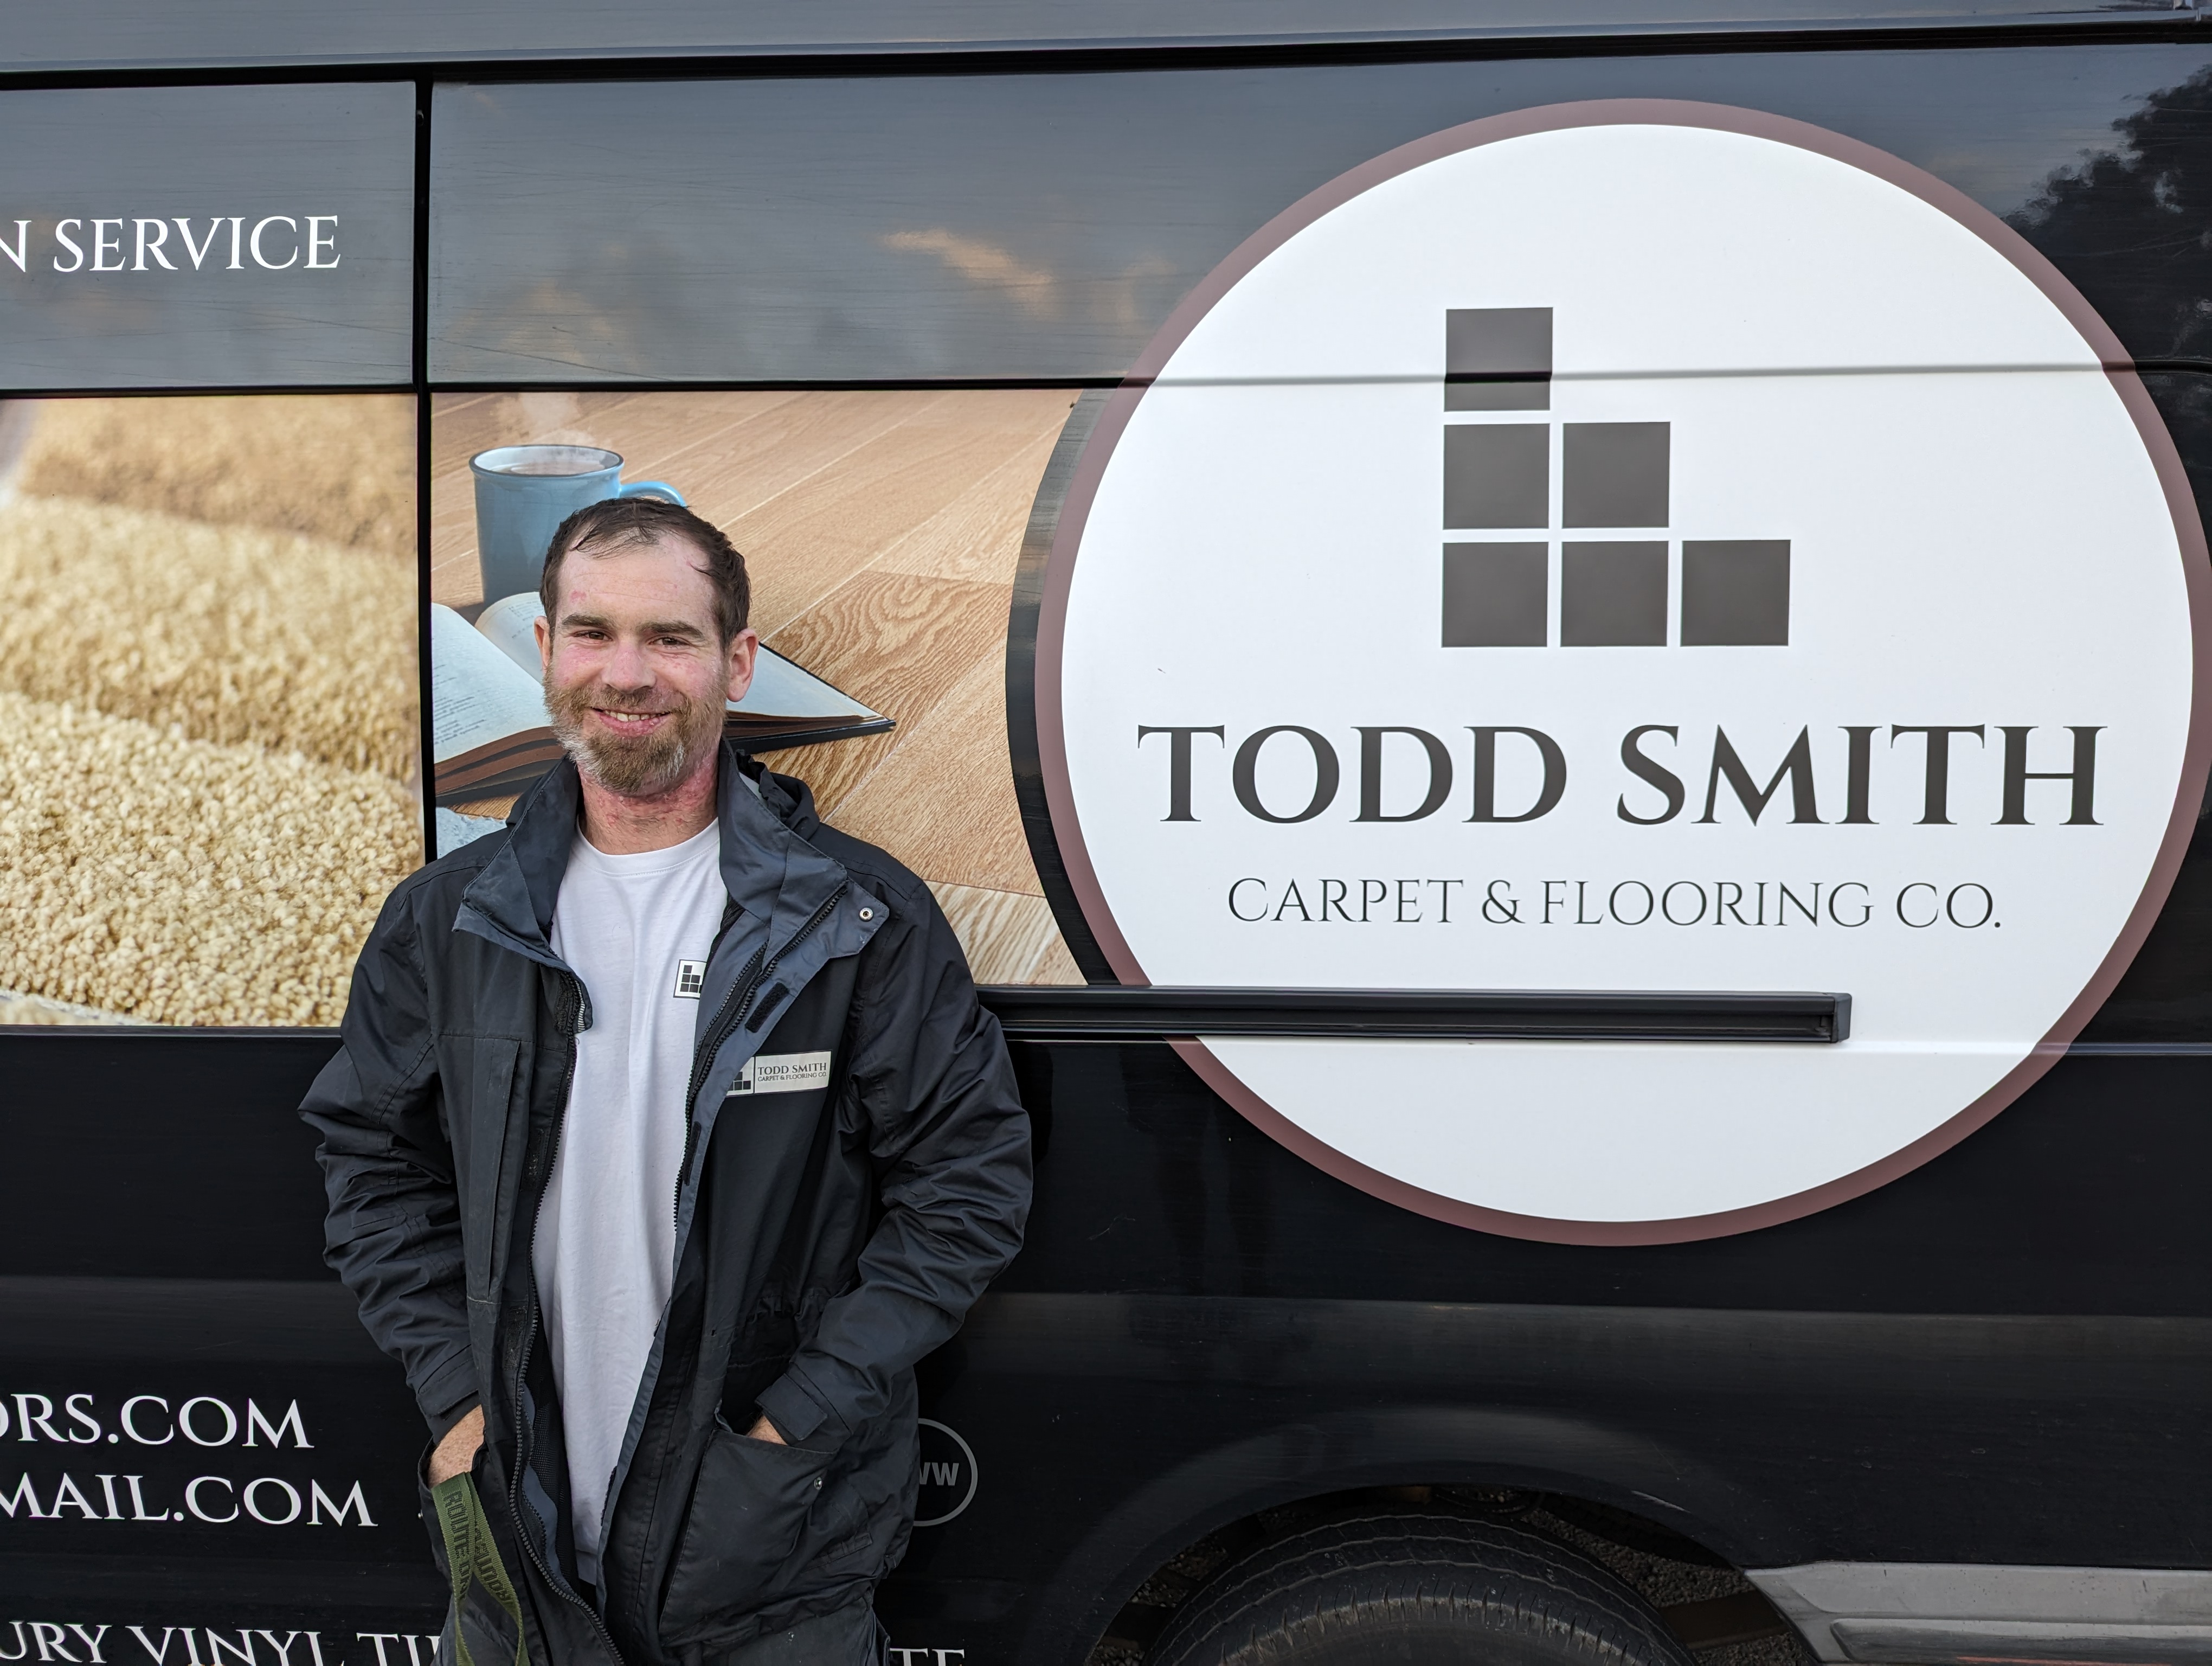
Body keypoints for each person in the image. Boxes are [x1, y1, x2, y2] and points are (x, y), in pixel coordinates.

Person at [301, 496, 1033, 1666]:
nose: (628, 673)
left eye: (671, 638)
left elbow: (968, 1188)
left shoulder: (858, 919)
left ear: (736, 664)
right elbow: (374, 1164)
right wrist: (458, 1402)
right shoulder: (447, 920)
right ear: (545, 650)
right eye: (593, 633)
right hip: (516, 1548)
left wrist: (794, 1424)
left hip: (769, 1559)